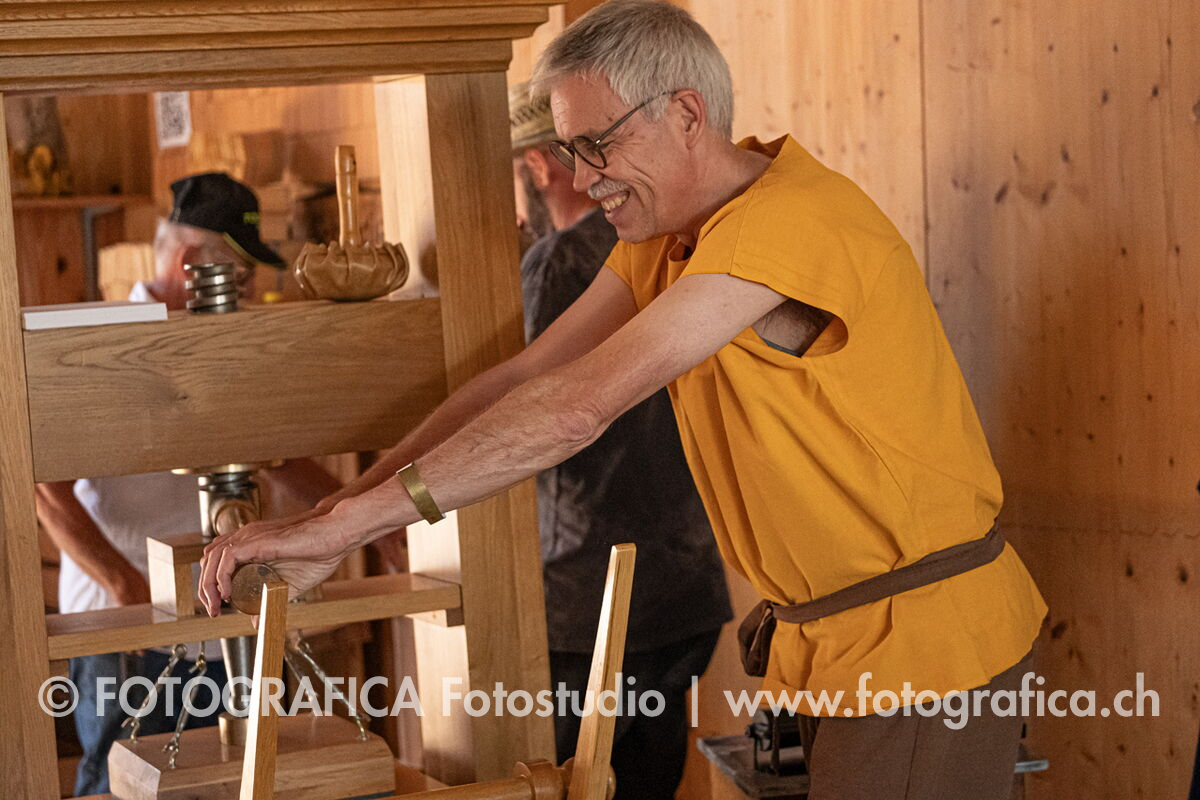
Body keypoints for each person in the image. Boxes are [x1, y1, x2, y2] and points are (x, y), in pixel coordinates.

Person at [200, 4, 1047, 798]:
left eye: (596, 144)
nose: (582, 177)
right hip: (834, 648)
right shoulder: (672, 235)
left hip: (922, 649)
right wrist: (338, 512)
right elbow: (523, 379)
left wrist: (348, 530)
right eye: (569, 151)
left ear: (686, 113)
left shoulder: (787, 221)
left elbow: (575, 409)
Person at [35, 173, 345, 796]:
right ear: (188, 266)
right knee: (121, 786)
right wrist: (124, 584)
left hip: (212, 612)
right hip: (123, 630)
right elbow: (47, 489)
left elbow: (277, 456)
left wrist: (364, 516)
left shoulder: (219, 346)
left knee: (234, 780)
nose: (249, 292)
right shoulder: (103, 345)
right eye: (240, 276)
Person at [510, 82, 731, 798]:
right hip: (689, 585)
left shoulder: (558, 263)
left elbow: (535, 412)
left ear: (537, 166)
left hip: (586, 597)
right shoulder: (680, 243)